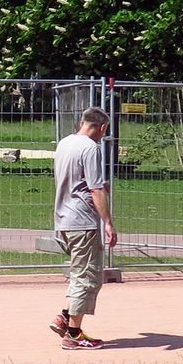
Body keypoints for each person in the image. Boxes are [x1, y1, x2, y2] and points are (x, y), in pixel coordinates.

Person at [51, 106, 116, 349]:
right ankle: (74, 334)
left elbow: (79, 180)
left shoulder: (65, 143)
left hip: (63, 217)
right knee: (88, 278)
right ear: (102, 127)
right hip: (83, 222)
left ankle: (64, 317)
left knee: (80, 273)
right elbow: (95, 189)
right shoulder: (91, 148)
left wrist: (99, 185)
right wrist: (108, 222)